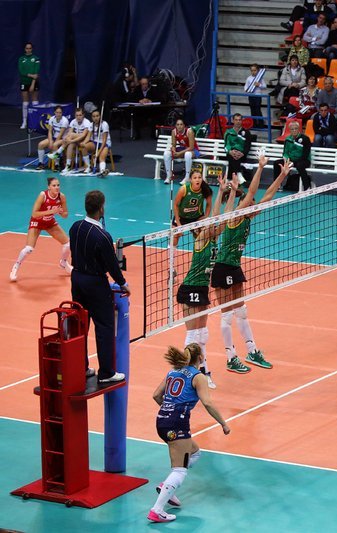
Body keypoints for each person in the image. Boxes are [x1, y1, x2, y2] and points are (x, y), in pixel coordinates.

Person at [211, 155, 294, 374]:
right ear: (243, 205)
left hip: (234, 266)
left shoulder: (248, 217)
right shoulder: (236, 216)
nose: (254, 204)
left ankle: (251, 351)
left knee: (241, 311)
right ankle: (231, 357)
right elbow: (251, 193)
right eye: (251, 202)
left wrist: (282, 176)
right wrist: (260, 167)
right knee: (227, 314)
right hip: (222, 267)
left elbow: (268, 195)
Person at [147, 343, 230, 523]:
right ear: (200, 357)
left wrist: (168, 409)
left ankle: (167, 487)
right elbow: (207, 403)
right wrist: (223, 423)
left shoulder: (173, 372)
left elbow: (156, 395)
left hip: (161, 421)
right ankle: (157, 510)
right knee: (180, 470)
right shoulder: (198, 377)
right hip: (177, 424)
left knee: (195, 452)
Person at [175, 174, 234, 390]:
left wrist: (231, 193)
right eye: (207, 224)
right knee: (192, 335)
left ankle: (203, 371)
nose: (212, 226)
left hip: (202, 289)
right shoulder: (200, 240)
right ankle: (184, 375)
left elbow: (225, 217)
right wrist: (220, 192)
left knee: (203, 334)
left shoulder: (213, 240)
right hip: (190, 288)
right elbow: (215, 216)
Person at [69, 190, 130, 383]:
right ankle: (106, 373)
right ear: (101, 209)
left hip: (76, 278)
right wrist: (123, 284)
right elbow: (112, 265)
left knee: (80, 324)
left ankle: (81, 368)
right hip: (95, 283)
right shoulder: (103, 236)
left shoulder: (75, 227)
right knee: (104, 326)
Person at [10, 177, 72, 282]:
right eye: (54, 185)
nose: (57, 187)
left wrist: (60, 212)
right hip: (37, 222)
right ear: (49, 187)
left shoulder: (61, 197)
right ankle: (15, 267)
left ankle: (64, 263)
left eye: (58, 185)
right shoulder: (43, 195)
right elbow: (34, 214)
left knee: (67, 244)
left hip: (49, 222)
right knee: (29, 249)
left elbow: (65, 215)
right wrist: (51, 211)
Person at [172, 170, 213, 249]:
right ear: (190, 180)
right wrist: (179, 224)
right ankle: (171, 254)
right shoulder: (183, 189)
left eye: (199, 177)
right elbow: (175, 205)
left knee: (201, 237)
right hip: (182, 217)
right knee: (175, 235)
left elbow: (209, 204)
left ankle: (199, 254)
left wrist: (206, 216)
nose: (197, 180)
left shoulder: (205, 189)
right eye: (195, 178)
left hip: (196, 217)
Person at [277, 120, 313, 192]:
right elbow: (285, 152)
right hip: (290, 161)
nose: (294, 130)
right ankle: (278, 185)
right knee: (277, 163)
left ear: (299, 129)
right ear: (289, 130)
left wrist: (294, 163)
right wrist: (287, 160)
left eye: (296, 128)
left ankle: (307, 187)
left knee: (300, 165)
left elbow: (305, 155)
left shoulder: (305, 139)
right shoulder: (288, 139)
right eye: (292, 129)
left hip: (304, 160)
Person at [163, 119, 198, 185]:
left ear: (184, 125)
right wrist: (174, 151)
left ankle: (187, 178)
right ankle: (169, 176)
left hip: (194, 150)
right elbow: (173, 145)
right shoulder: (174, 132)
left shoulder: (189, 131)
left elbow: (191, 147)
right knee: (166, 153)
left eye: (181, 124)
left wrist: (179, 153)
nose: (179, 126)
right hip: (183, 149)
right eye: (178, 124)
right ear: (176, 125)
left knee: (187, 154)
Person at [36, 106, 69, 170]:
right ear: (54, 112)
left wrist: (53, 143)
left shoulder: (65, 121)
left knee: (54, 145)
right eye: (57, 112)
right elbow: (50, 131)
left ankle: (57, 164)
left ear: (62, 113)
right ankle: (41, 163)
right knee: (40, 144)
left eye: (60, 113)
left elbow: (60, 134)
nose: (58, 114)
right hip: (54, 137)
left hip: (63, 138)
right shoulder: (52, 118)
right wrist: (51, 141)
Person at [223, 113, 252, 185]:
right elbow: (226, 145)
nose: (238, 122)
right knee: (232, 157)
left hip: (242, 155)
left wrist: (242, 153)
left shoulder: (246, 132)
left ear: (242, 121)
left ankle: (230, 179)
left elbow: (247, 146)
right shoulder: (228, 132)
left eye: (239, 120)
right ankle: (238, 174)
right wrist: (230, 151)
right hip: (231, 153)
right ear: (233, 121)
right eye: (236, 120)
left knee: (234, 158)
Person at [62, 108, 92, 173]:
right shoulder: (73, 121)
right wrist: (67, 138)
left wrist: (71, 140)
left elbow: (83, 135)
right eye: (77, 115)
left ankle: (59, 151)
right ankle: (68, 166)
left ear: (83, 115)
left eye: (80, 115)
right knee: (70, 144)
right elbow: (69, 133)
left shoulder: (87, 122)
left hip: (85, 140)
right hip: (76, 140)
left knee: (72, 136)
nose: (78, 117)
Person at [83, 110, 112, 176]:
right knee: (84, 147)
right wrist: (83, 144)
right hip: (95, 142)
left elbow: (104, 141)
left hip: (105, 143)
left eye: (97, 116)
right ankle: (88, 167)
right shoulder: (91, 125)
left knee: (101, 157)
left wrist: (98, 153)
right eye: (93, 116)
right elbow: (88, 137)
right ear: (92, 117)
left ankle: (102, 170)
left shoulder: (104, 124)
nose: (95, 118)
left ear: (100, 116)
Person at [18, 42, 40, 129]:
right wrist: (31, 75)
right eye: (27, 48)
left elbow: (36, 72)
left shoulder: (36, 59)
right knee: (25, 102)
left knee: (34, 101)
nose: (28, 50)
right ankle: (24, 121)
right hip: (24, 82)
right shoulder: (21, 59)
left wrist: (33, 84)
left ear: (32, 49)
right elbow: (21, 71)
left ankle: (35, 121)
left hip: (34, 83)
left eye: (30, 48)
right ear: (25, 49)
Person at [244, 64, 266, 128]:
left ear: (258, 70)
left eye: (255, 70)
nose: (253, 72)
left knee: (258, 110)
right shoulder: (249, 78)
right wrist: (246, 89)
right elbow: (246, 86)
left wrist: (259, 85)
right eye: (252, 70)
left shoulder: (260, 78)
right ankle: (254, 124)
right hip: (251, 96)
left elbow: (265, 86)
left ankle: (261, 124)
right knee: (252, 110)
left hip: (258, 96)